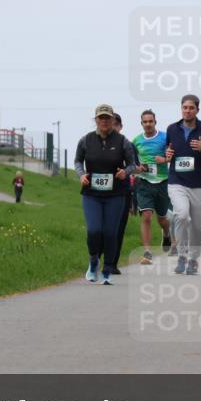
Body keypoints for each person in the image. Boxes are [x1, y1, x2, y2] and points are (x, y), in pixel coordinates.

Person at [75, 104, 136, 285]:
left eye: (107, 118)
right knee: (94, 230)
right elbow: (78, 161)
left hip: (115, 194)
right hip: (91, 193)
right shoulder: (85, 140)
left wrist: (125, 172)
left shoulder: (123, 141)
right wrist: (81, 175)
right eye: (101, 118)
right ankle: (94, 260)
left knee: (110, 232)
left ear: (112, 120)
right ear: (96, 120)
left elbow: (132, 164)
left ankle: (107, 269)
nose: (104, 121)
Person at [165, 95, 201, 276]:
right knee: (181, 215)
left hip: (199, 185)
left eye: (191, 108)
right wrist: (167, 155)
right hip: (177, 182)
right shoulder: (172, 129)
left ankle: (193, 260)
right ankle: (181, 255)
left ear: (197, 110)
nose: (187, 111)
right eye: (184, 107)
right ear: (181, 108)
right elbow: (167, 151)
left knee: (197, 226)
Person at [132, 110, 173, 265]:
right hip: (144, 182)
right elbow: (132, 163)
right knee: (146, 215)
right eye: (145, 122)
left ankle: (166, 234)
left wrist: (164, 160)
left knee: (162, 218)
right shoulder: (136, 141)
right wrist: (138, 168)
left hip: (162, 182)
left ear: (155, 122)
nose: (148, 124)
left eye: (150, 121)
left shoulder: (165, 137)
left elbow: (173, 157)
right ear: (141, 123)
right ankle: (147, 252)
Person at [109, 114, 135, 274]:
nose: (112, 127)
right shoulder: (97, 144)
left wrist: (126, 171)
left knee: (119, 228)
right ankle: (97, 258)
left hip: (123, 191)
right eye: (110, 124)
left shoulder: (128, 145)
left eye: (115, 124)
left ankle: (113, 263)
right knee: (102, 228)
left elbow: (134, 166)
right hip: (102, 192)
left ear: (120, 126)